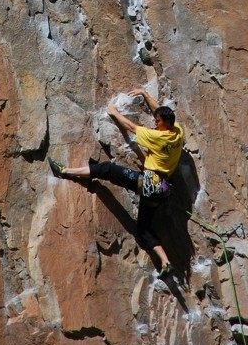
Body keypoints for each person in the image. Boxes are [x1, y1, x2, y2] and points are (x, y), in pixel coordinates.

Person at [48, 87, 184, 277]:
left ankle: (64, 171)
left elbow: (132, 128)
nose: (155, 122)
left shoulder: (158, 137)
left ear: (166, 123)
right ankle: (165, 262)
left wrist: (114, 112)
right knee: (144, 229)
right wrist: (145, 94)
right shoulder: (178, 132)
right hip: (160, 191)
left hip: (148, 183)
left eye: (158, 121)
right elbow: (160, 111)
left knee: (108, 169)